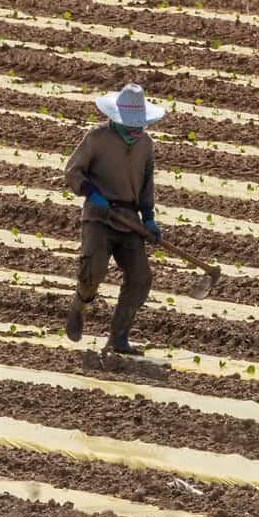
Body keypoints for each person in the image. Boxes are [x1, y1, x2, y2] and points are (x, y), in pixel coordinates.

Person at [61, 83, 165, 356]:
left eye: (139, 126)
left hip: (129, 218)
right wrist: (92, 194)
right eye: (130, 125)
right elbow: (72, 172)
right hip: (99, 216)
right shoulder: (97, 138)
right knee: (93, 270)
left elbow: (147, 184)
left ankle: (118, 338)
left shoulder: (145, 145)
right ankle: (80, 303)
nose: (135, 131)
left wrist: (149, 218)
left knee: (140, 277)